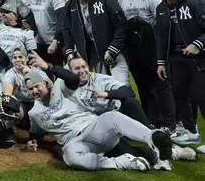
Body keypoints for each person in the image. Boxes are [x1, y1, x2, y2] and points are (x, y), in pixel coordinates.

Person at [24, 69, 174, 172]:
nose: (34, 91)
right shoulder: (34, 113)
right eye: (30, 90)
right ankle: (122, 163)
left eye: (36, 86)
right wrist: (32, 142)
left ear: (44, 82)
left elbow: (72, 78)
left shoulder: (60, 87)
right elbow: (36, 134)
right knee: (70, 156)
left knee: (113, 117)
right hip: (76, 142)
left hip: (94, 127)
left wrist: (48, 66)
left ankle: (152, 137)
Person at [118, 0, 174, 131]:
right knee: (143, 87)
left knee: (161, 87)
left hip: (154, 49)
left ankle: (169, 123)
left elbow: (162, 23)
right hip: (136, 51)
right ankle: (151, 119)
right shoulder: (121, 1)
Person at [154, 0, 205, 146]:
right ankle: (191, 131)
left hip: (200, 58)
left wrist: (198, 44)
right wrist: (161, 62)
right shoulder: (160, 9)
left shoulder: (195, 3)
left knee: (201, 95)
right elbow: (160, 37)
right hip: (176, 58)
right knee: (180, 95)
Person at [61, 0, 129, 85]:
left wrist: (113, 48)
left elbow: (122, 26)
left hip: (115, 49)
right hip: (89, 51)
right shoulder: (70, 4)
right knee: (75, 83)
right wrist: (69, 50)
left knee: (120, 85)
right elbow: (66, 29)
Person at [29, 0, 66, 65]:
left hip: (54, 40)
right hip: (39, 40)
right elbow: (32, 13)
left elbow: (62, 17)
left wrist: (56, 40)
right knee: (44, 71)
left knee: (58, 71)